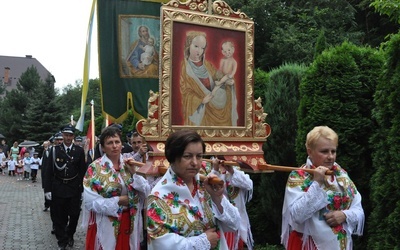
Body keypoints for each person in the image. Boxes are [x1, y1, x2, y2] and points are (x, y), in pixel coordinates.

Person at [147, 130, 240, 249]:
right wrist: (204, 241)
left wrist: (217, 198)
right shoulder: (158, 197)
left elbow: (234, 224)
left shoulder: (206, 186)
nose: (195, 163)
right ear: (172, 157)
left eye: (199, 156)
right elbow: (161, 244)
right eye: (187, 156)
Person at [281, 126, 364, 250]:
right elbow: (297, 216)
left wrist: (344, 215)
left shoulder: (341, 175)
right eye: (324, 151)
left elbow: (359, 209)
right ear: (310, 151)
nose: (330, 156)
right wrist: (317, 183)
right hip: (308, 244)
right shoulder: (298, 176)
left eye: (333, 151)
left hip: (339, 244)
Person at [82, 125, 150, 250]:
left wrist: (134, 173)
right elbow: (90, 202)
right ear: (102, 147)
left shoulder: (129, 164)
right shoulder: (95, 168)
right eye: (109, 143)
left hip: (130, 221)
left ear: (122, 144)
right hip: (107, 223)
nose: (114, 146)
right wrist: (118, 200)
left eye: (117, 142)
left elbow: (146, 191)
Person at [180, 31, 238, 126]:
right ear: (188, 45)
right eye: (196, 46)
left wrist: (227, 82)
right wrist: (201, 101)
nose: (199, 50)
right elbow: (185, 92)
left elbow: (218, 78)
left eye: (202, 48)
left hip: (216, 103)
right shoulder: (184, 68)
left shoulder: (208, 65)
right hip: (202, 109)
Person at [43, 124, 87, 250]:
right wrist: (47, 190)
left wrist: (83, 189)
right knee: (59, 216)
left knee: (74, 215)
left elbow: (82, 171)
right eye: (66, 135)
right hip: (59, 187)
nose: (68, 137)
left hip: (74, 188)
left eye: (70, 135)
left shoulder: (78, 151)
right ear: (62, 135)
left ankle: (70, 234)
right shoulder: (54, 150)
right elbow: (48, 172)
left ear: (73, 136)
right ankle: (62, 240)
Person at [209, 158, 254, 250]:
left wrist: (232, 170)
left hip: (237, 219)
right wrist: (215, 170)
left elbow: (248, 185)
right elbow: (208, 189)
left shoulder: (236, 170)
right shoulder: (210, 169)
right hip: (221, 220)